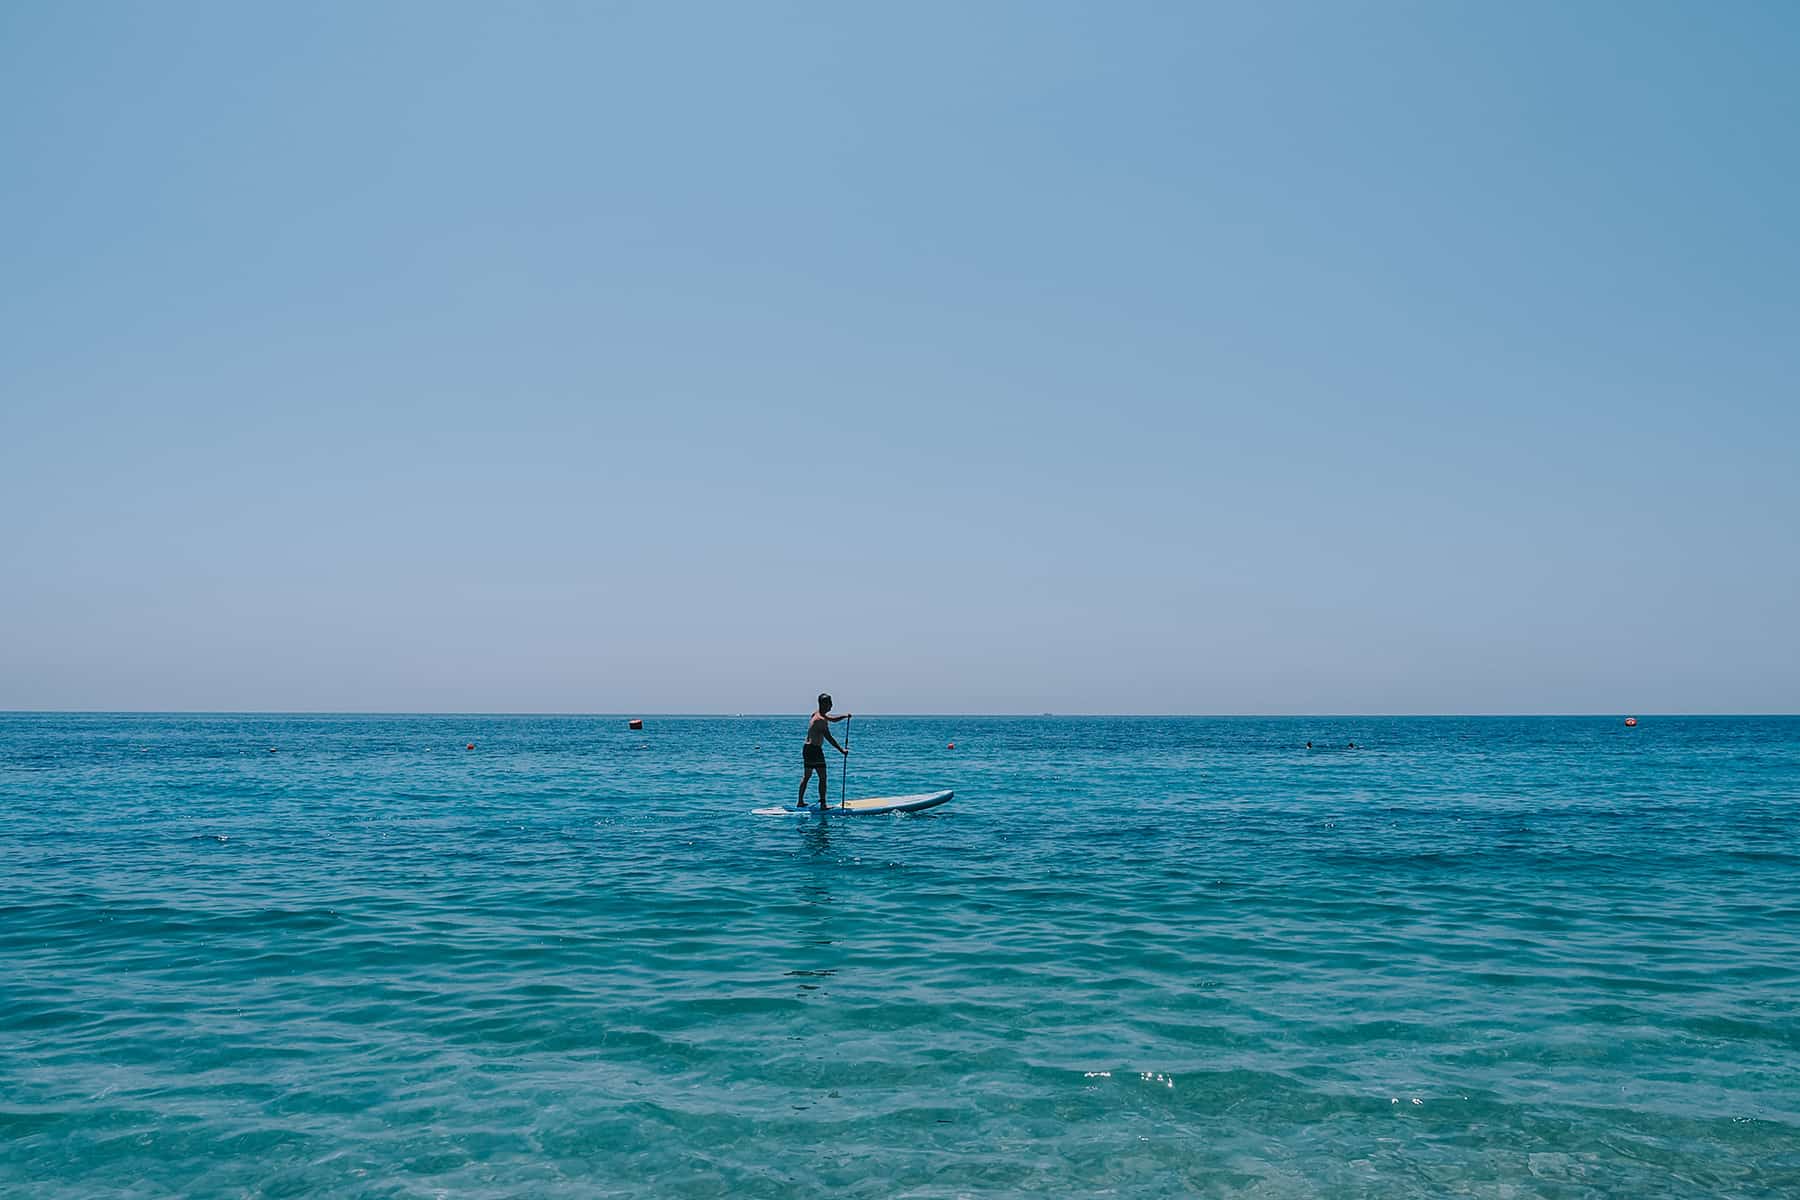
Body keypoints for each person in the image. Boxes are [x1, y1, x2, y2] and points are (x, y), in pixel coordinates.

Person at [798, 692, 851, 809]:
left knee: (807, 776)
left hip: (807, 749)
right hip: (815, 750)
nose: (831, 705)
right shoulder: (820, 720)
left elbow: (831, 719)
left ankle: (800, 802)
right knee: (823, 777)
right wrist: (842, 750)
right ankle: (823, 804)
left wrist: (844, 716)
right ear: (824, 704)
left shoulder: (816, 714)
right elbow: (829, 738)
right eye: (830, 703)